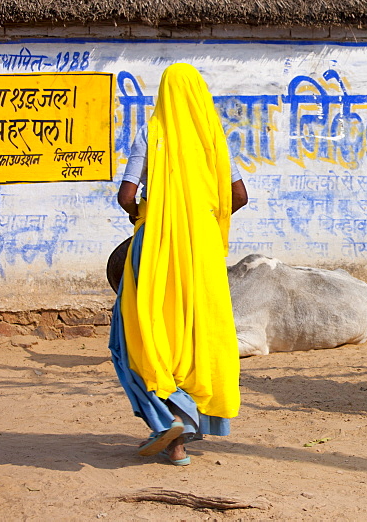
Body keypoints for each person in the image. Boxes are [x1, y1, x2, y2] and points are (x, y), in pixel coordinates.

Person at [110, 63, 248, 466]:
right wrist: (204, 221)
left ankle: (167, 426)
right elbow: (238, 196)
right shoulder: (215, 140)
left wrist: (147, 215)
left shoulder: (150, 134)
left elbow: (126, 195)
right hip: (202, 250)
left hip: (155, 247)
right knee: (194, 335)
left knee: (137, 334)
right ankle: (180, 435)